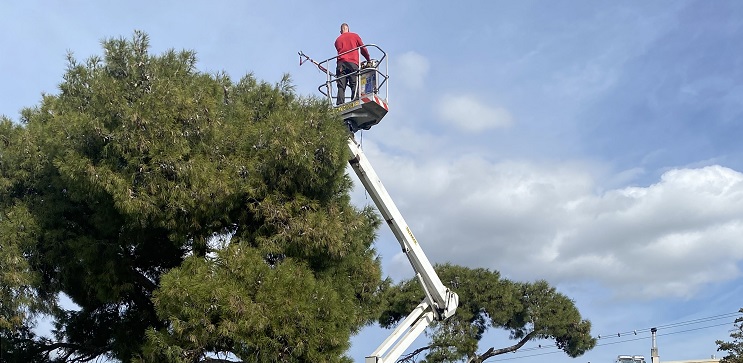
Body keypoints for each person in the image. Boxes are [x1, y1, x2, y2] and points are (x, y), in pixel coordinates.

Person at [334, 23, 370, 105]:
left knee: (341, 86)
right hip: (352, 63)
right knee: (354, 84)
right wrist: (368, 59)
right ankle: (355, 102)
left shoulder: (337, 41)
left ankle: (340, 104)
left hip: (340, 65)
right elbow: (363, 49)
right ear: (348, 29)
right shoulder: (354, 36)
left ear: (341, 31)